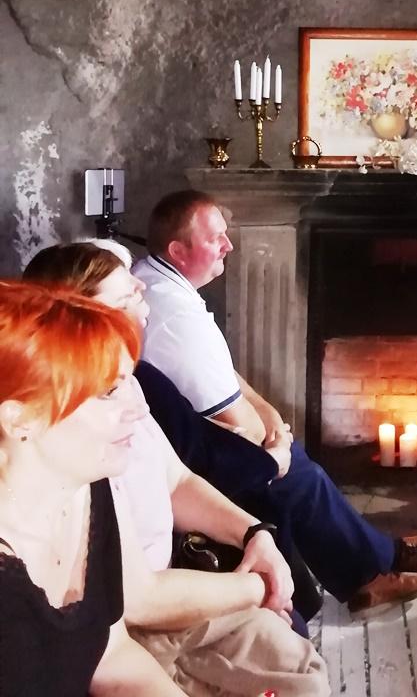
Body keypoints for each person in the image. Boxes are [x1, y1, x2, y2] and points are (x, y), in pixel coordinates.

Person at [133, 190, 417, 617]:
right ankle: (377, 568)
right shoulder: (175, 317)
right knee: (298, 476)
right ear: (178, 251)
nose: (229, 245)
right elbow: (231, 418)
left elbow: (226, 375)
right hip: (189, 452)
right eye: (215, 238)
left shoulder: (164, 284)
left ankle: (375, 566)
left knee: (299, 467)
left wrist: (270, 416)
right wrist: (276, 445)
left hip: (193, 433)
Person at [22, 247, 330, 697]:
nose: (142, 284)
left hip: (172, 593)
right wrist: (257, 587)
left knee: (302, 669)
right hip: (151, 625)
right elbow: (137, 603)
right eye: (124, 292)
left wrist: (254, 533)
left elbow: (177, 478)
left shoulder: (130, 383)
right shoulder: (78, 454)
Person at [0, 280, 186, 695]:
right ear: (20, 420)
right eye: (108, 392)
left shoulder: (86, 486)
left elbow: (111, 652)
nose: (139, 408)